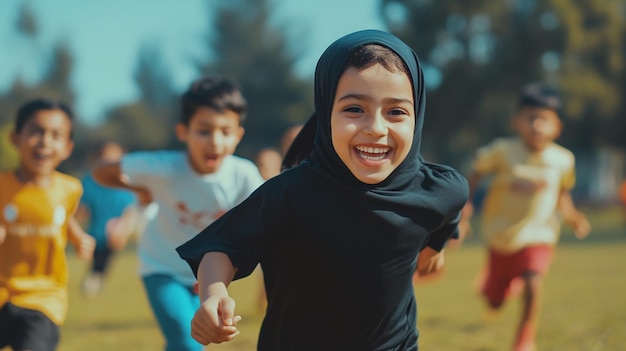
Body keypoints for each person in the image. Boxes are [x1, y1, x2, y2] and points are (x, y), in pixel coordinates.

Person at [177, 30, 468, 350]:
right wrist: (213, 294)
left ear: (418, 115)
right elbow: (223, 246)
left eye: (396, 111)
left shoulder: (439, 189)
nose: (376, 128)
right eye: (354, 109)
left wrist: (436, 246)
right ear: (326, 111)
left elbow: (449, 208)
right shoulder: (291, 193)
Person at [92, 76, 265, 351]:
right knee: (188, 343)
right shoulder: (163, 168)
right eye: (204, 131)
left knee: (185, 343)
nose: (215, 142)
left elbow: (270, 218)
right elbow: (101, 170)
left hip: (212, 275)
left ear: (238, 135)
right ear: (183, 131)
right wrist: (139, 189)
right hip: (163, 268)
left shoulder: (244, 175)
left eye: (225, 131)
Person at [459, 82, 591, 351]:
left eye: (544, 120)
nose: (537, 126)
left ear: (557, 127)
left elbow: (562, 193)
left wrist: (573, 216)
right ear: (516, 122)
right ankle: (496, 287)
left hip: (539, 234)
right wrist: (466, 206)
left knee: (533, 279)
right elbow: (476, 171)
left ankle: (525, 338)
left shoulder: (563, 160)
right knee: (494, 301)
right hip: (501, 236)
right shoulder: (501, 151)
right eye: (531, 119)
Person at [0, 98, 95, 351]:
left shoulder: (69, 189)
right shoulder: (1, 187)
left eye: (56, 135)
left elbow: (64, 217)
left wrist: (79, 238)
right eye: (36, 132)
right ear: (15, 138)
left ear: (67, 147)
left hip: (43, 298)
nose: (45, 141)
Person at [78, 141, 139, 297]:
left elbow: (131, 208)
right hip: (95, 231)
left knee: (104, 259)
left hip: (115, 232)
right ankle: (95, 279)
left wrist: (124, 228)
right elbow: (82, 206)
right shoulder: (91, 180)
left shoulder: (125, 181)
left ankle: (96, 280)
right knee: (97, 259)